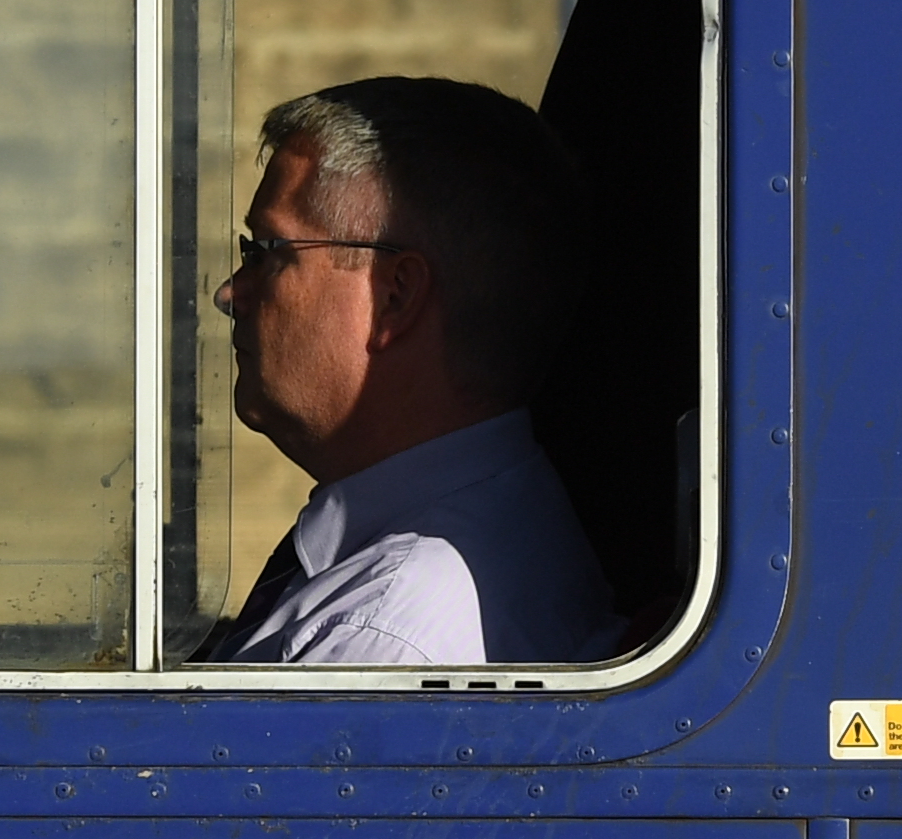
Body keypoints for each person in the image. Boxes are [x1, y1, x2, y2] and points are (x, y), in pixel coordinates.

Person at [201, 76, 634, 668]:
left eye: (269, 252)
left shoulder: (380, 635)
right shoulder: (503, 526)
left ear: (395, 297)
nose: (230, 293)